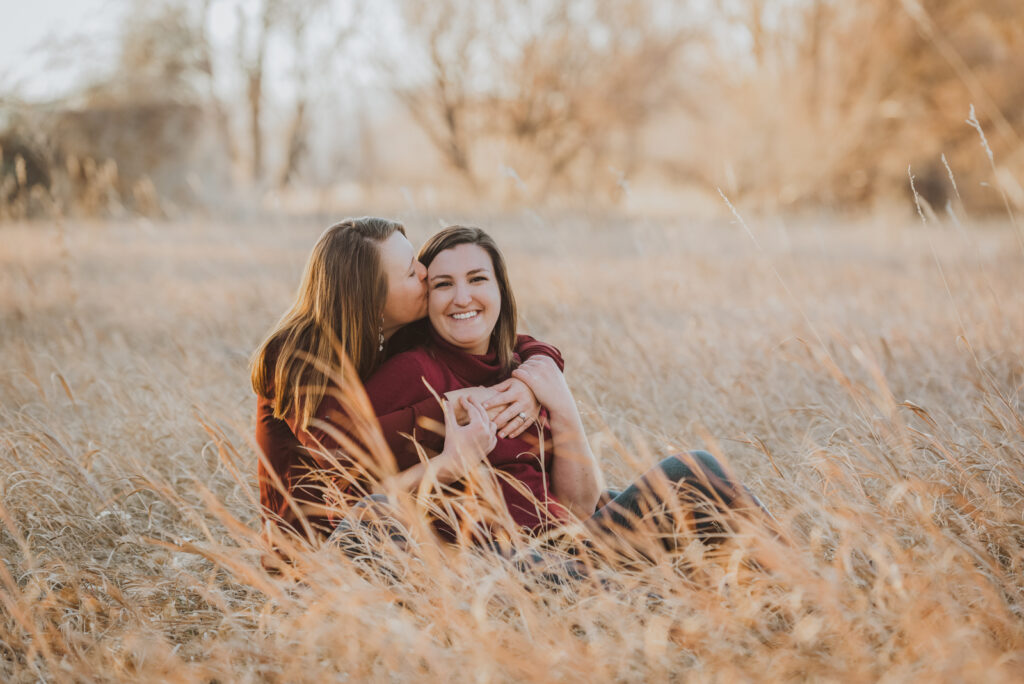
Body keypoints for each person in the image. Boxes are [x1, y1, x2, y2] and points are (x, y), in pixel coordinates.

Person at [355, 226, 770, 561]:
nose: (462, 298)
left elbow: (579, 509)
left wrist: (561, 402)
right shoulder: (413, 371)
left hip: (567, 548)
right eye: (443, 284)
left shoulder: (523, 368)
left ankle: (801, 593)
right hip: (501, 566)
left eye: (478, 279)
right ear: (427, 299)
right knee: (691, 471)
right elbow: (348, 481)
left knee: (696, 477)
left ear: (501, 291)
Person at [251, 217, 565, 544]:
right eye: (411, 271)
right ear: (371, 296)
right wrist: (449, 408)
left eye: (417, 259)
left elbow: (506, 338)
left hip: (410, 540)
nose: (425, 272)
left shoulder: (393, 332)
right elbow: (345, 455)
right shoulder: (295, 358)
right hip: (330, 551)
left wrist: (532, 378)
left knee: (609, 504)